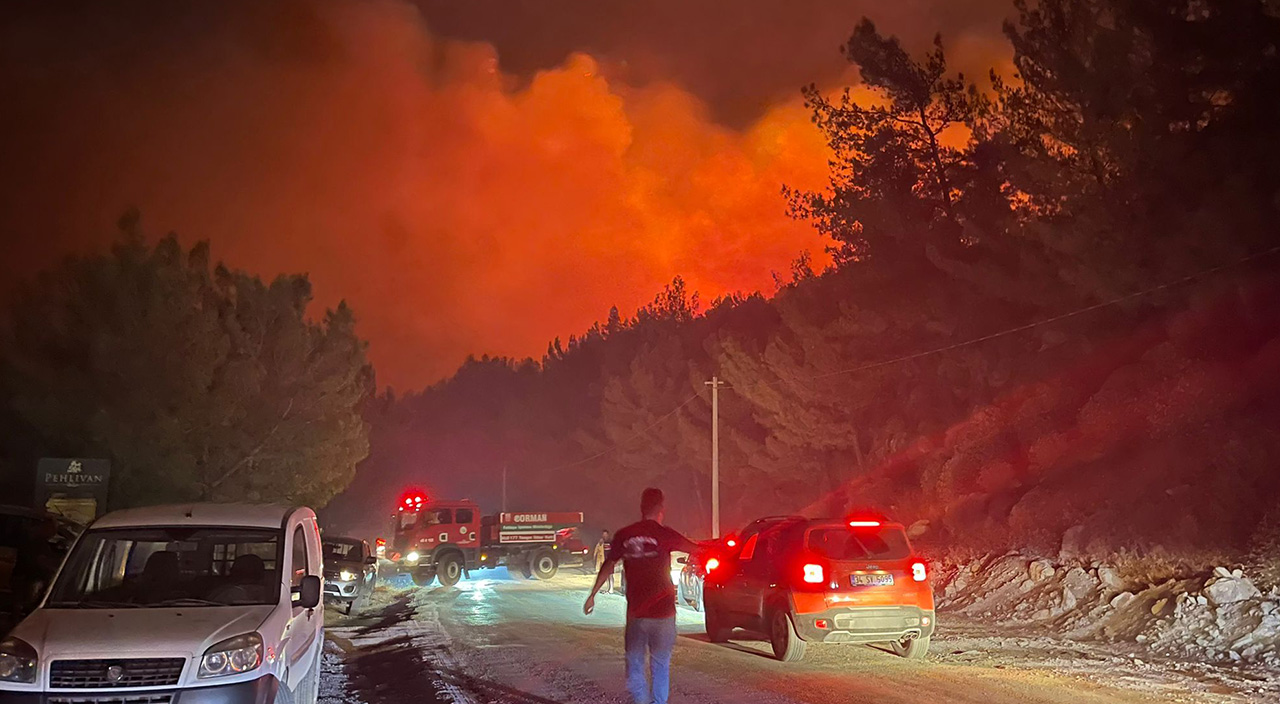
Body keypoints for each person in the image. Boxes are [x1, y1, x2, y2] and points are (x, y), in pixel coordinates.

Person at [584, 488, 701, 704]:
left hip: (637, 614)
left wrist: (592, 595)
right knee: (660, 665)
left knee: (635, 663)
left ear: (641, 507)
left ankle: (641, 701)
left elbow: (608, 566)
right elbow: (696, 549)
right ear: (661, 509)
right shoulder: (666, 534)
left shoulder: (624, 534)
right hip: (664, 613)